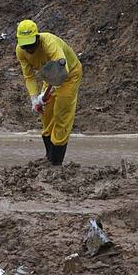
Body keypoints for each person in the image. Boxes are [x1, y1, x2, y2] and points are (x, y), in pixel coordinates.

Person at [15, 20, 82, 166]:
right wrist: (35, 99)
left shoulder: (49, 43)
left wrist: (44, 94)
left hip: (68, 75)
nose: (29, 48)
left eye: (31, 44)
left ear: (37, 37)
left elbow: (61, 69)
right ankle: (49, 156)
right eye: (25, 45)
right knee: (47, 115)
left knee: (61, 114)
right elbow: (29, 77)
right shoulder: (21, 51)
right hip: (50, 76)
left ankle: (55, 162)